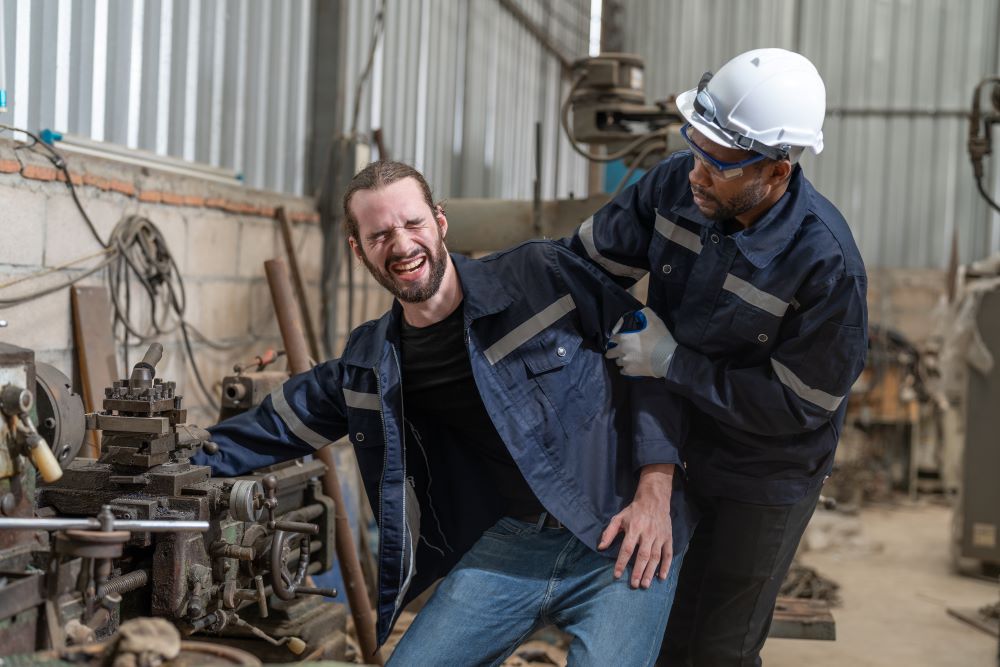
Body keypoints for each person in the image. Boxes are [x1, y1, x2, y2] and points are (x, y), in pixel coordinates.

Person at [194, 160, 694, 665]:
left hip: (623, 527)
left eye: (413, 224)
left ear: (439, 221)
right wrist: (170, 463)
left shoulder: (541, 275)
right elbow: (271, 426)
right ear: (358, 249)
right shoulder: (372, 364)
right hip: (512, 546)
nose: (402, 245)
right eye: (380, 234)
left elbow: (648, 369)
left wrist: (656, 490)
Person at [564, 48, 868, 666]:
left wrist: (673, 361)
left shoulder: (826, 265)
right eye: (695, 147)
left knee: (718, 646)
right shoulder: (676, 184)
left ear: (778, 172)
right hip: (678, 440)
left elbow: (795, 407)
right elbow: (581, 270)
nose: (697, 174)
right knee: (657, 622)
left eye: (721, 164)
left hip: (767, 468)